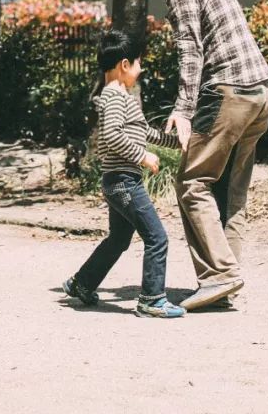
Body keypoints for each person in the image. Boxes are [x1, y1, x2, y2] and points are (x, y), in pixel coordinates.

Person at [102, 0, 268, 312]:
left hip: (228, 90)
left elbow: (190, 49)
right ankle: (224, 282)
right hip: (259, 94)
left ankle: (220, 276)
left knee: (192, 183)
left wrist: (182, 108)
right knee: (228, 191)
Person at [63, 29, 185, 319]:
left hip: (116, 182)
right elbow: (113, 134)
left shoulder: (120, 98)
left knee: (118, 240)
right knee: (157, 237)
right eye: (139, 64)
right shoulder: (115, 98)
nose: (141, 71)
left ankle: (82, 283)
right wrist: (141, 155)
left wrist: (179, 142)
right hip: (124, 182)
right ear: (124, 65)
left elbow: (145, 132)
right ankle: (152, 299)